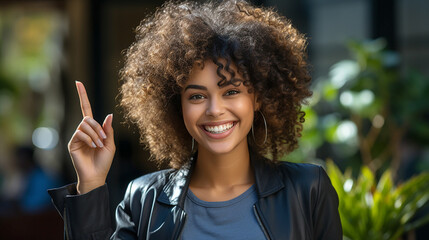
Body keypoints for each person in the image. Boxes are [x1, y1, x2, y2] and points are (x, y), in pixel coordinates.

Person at [48, 0, 342, 239]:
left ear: (258, 97)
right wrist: (91, 184)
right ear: (177, 107)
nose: (214, 109)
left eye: (231, 91)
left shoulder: (308, 190)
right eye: (197, 96)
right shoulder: (143, 200)